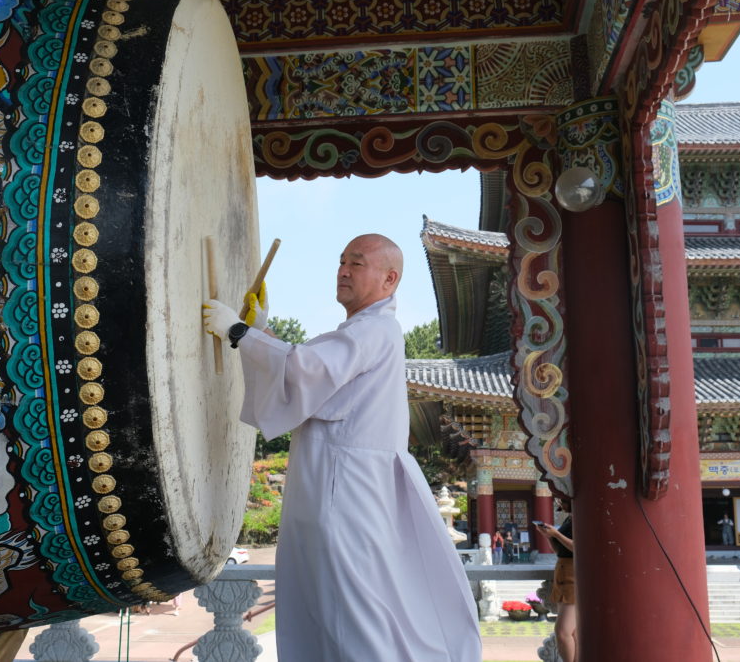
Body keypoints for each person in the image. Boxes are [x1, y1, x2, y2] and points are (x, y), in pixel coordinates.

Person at [203, 234, 481, 662]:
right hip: (336, 488)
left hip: (345, 495)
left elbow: (303, 369)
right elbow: (307, 373)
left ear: (389, 279)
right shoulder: (357, 334)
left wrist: (238, 332)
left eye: (357, 263)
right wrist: (259, 330)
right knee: (331, 607)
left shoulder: (376, 329)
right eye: (341, 262)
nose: (343, 271)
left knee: (351, 613)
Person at [535, 498, 576, 662]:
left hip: (575, 576)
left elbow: (581, 548)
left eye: (563, 501)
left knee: (562, 632)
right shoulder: (569, 519)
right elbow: (559, 551)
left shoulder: (583, 518)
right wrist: (549, 536)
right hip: (562, 573)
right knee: (573, 633)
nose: (560, 505)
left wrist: (557, 534)